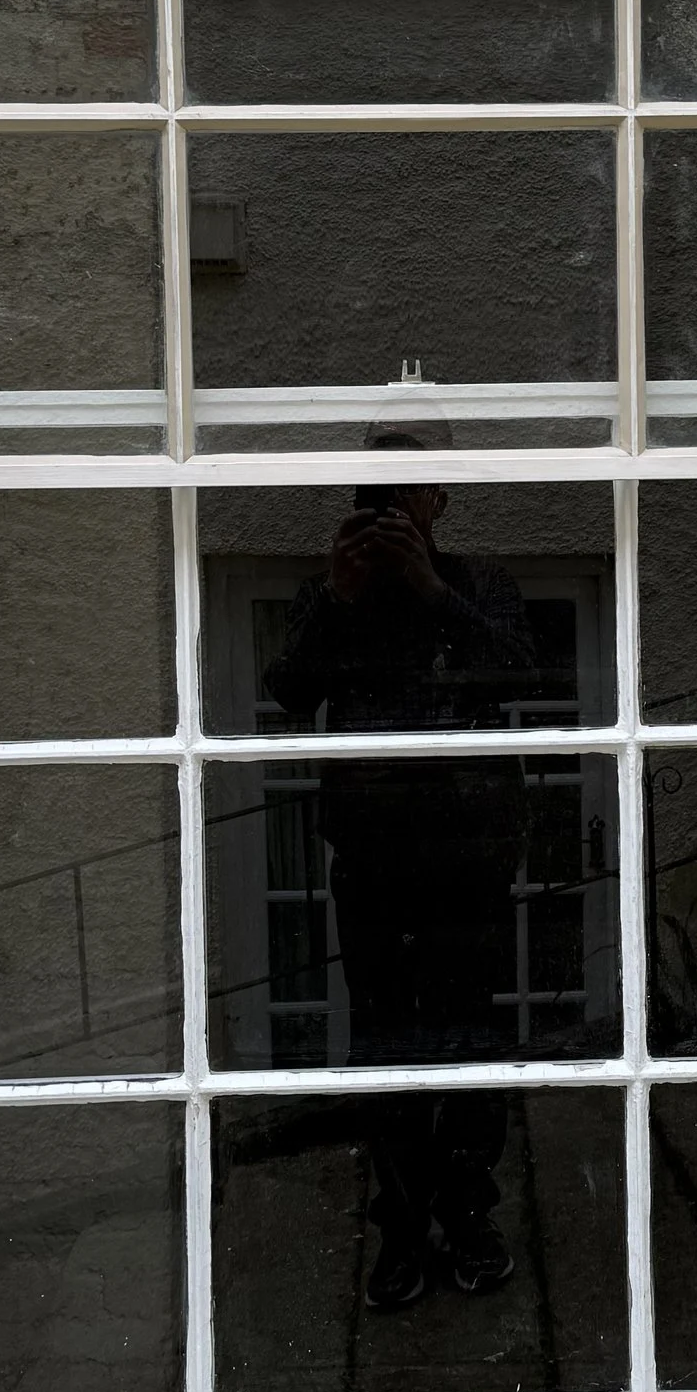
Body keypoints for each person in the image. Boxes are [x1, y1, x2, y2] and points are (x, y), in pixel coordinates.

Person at [263, 431, 541, 1310]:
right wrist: (341, 596)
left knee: (470, 1041)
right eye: (375, 495)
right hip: (374, 853)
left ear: (440, 504)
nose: (390, 511)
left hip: (472, 852)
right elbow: (286, 691)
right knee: (384, 1047)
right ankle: (402, 1228)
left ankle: (468, 1216)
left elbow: (523, 672)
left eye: (407, 495)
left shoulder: (481, 582)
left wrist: (428, 589)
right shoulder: (328, 592)